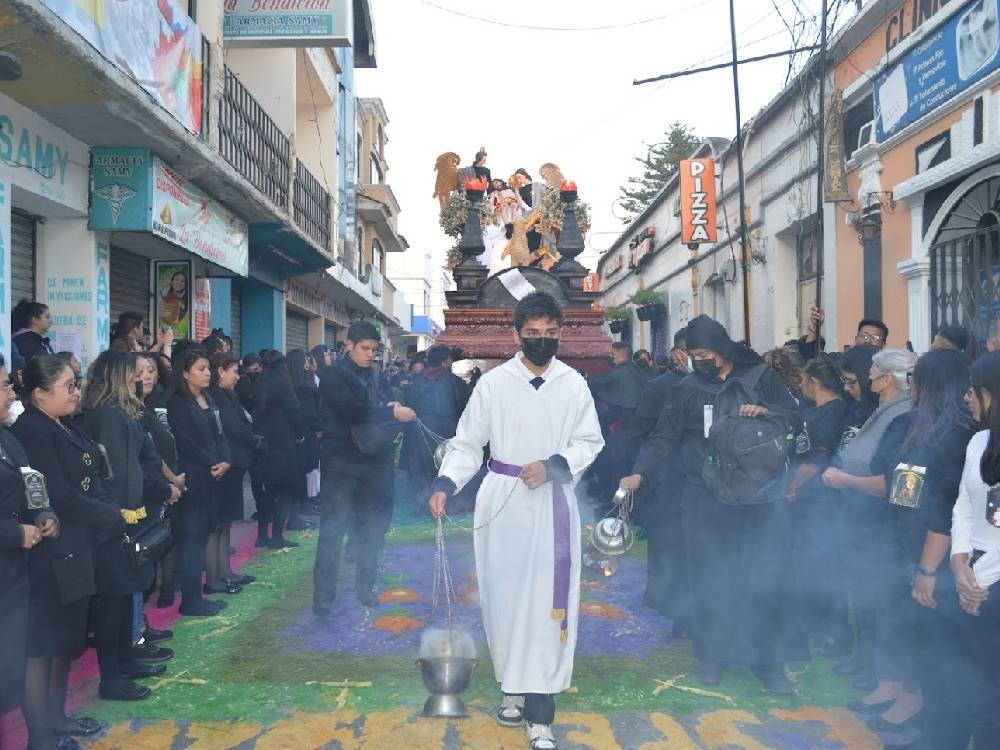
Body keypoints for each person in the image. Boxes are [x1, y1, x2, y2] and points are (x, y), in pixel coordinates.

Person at [428, 292, 604, 750]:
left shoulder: (573, 383)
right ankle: (514, 686)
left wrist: (554, 465)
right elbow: (468, 443)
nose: (543, 340)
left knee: (547, 604)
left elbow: (590, 441)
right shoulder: (494, 384)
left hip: (550, 503)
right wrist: (446, 483)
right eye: (534, 333)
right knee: (504, 599)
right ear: (517, 334)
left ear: (560, 334)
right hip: (502, 503)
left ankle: (541, 713)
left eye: (551, 333)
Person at [621, 314, 804, 694]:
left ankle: (768, 664)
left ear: (722, 349)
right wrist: (640, 473)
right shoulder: (685, 390)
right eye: (694, 356)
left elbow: (794, 418)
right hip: (705, 499)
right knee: (709, 578)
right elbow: (663, 438)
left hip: (759, 499)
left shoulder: (761, 378)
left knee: (763, 578)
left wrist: (766, 413)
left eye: (704, 354)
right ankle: (712, 657)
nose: (698, 361)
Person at [851, 348, 975, 735]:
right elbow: (902, 484)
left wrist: (924, 564)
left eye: (915, 379)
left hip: (932, 545)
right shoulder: (918, 423)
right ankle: (897, 688)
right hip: (904, 534)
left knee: (920, 628)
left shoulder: (958, 434)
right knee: (896, 619)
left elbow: (939, 501)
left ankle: (914, 700)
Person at [11, 355, 125, 743]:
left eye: (77, 384)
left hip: (75, 546)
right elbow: (58, 493)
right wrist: (111, 515)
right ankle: (41, 733)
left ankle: (56, 718)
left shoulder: (62, 424)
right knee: (43, 647)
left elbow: (89, 475)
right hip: (50, 555)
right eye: (69, 386)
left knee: (63, 643)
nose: (77, 392)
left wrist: (108, 507)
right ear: (40, 394)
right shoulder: (32, 431)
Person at [79, 349, 177, 701]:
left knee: (123, 599)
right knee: (113, 602)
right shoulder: (109, 415)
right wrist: (127, 515)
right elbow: (118, 473)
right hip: (116, 521)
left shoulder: (116, 412)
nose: (138, 378)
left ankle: (125, 661)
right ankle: (112, 677)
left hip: (123, 516)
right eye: (131, 372)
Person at [821, 348, 917, 689]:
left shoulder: (904, 416)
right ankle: (868, 662)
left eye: (871, 376)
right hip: (863, 517)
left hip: (883, 523)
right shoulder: (884, 410)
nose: (866, 382)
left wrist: (846, 480)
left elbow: (899, 486)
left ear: (887, 379)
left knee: (880, 600)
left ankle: (882, 673)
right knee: (863, 594)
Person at [923, 351, 1000, 749]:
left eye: (975, 390)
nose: (968, 398)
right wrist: (957, 564)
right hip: (969, 574)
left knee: (991, 700)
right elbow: (964, 506)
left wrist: (978, 582)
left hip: (988, 584)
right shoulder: (978, 441)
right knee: (953, 685)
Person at [314, 322, 415, 614]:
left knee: (373, 529)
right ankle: (323, 597)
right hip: (340, 466)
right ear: (349, 345)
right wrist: (391, 412)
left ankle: (365, 588)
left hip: (375, 463)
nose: (370, 354)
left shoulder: (377, 374)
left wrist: (391, 407)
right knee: (333, 532)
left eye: (374, 349)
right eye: (365, 348)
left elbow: (382, 406)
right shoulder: (332, 375)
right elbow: (350, 410)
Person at [0, 354, 63, 749]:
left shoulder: (9, 439)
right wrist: (13, 533)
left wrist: (45, 514)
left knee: (21, 661)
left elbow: (33, 489)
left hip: (18, 576)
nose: (11, 394)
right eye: (4, 386)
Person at [786, 356, 850, 657]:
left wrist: (792, 486)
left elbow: (817, 459)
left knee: (827, 570)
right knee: (810, 568)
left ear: (813, 380)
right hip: (808, 505)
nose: (800, 386)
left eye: (803, 380)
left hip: (824, 505)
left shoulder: (835, 412)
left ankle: (836, 634)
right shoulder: (812, 410)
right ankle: (815, 625)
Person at [623, 344, 686, 625]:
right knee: (665, 540)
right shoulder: (659, 387)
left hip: (700, 478)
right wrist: (645, 471)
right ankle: (664, 599)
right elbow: (643, 432)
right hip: (665, 475)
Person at [167, 346, 231, 617]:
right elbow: (186, 443)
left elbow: (221, 434)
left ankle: (198, 596)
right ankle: (190, 599)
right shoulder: (177, 404)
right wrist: (213, 462)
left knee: (203, 536)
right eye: (201, 369)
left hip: (214, 477)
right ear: (185, 373)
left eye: (208, 369)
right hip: (194, 479)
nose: (207, 374)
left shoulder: (208, 398)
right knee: (192, 540)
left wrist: (225, 460)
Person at [134, 352, 184, 610]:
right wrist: (171, 480)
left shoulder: (155, 403)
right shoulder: (131, 412)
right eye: (140, 372)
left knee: (165, 537)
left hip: (167, 483)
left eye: (151, 371)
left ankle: (165, 587)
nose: (147, 377)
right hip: (150, 487)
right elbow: (150, 454)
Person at [207, 352, 257, 589]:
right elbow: (234, 427)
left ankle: (225, 572)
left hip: (233, 465)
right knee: (217, 523)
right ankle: (214, 578)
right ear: (220, 372)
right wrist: (255, 441)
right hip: (224, 466)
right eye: (234, 372)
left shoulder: (226, 395)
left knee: (225, 522)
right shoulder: (217, 397)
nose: (238, 377)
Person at [251, 351, 306, 548]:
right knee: (284, 491)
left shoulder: (258, 384)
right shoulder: (283, 385)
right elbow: (295, 413)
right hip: (283, 442)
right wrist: (300, 434)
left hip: (263, 442)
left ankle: (262, 535)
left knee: (267, 492)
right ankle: (277, 536)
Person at [402, 344, 470, 494]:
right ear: (446, 362)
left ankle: (422, 498)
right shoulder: (455, 382)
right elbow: (464, 409)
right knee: (442, 467)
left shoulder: (416, 380)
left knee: (421, 470)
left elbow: (409, 405)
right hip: (445, 433)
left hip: (418, 433)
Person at [286, 349, 321, 530]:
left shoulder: (287, 384)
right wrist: (319, 428)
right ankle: (303, 507)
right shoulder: (306, 386)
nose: (308, 364)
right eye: (306, 361)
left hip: (293, 434)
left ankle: (300, 507)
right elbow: (310, 413)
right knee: (306, 469)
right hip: (306, 434)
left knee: (300, 472)